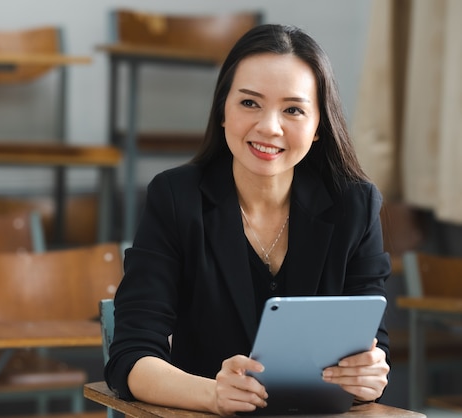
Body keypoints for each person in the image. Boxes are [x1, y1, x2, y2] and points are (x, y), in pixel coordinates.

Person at [104, 24, 391, 417]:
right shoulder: (175, 199)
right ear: (223, 110)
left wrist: (369, 379)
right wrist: (212, 395)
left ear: (319, 125)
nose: (269, 127)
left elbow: (371, 347)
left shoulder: (354, 206)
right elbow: (130, 358)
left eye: (293, 109)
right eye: (250, 103)